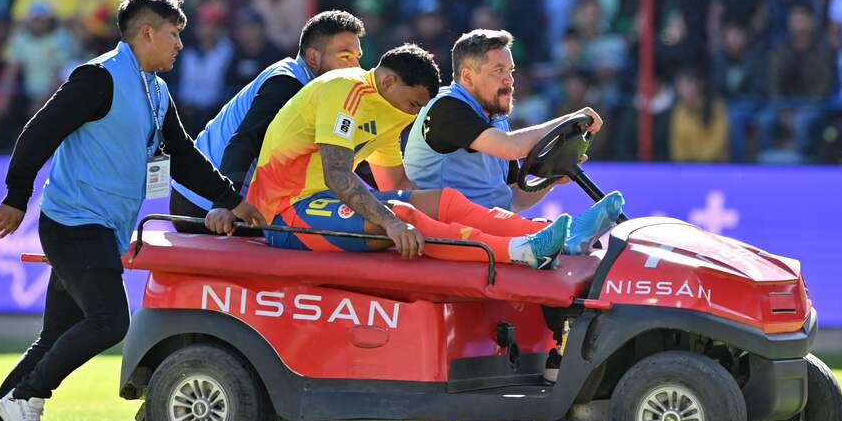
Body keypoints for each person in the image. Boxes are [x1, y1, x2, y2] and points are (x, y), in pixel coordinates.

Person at [0, 0, 264, 421]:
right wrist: (17, 196)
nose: (180, 45)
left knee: (54, 336)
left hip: (99, 225)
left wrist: (233, 200)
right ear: (147, 33)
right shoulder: (97, 77)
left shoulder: (155, 90)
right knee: (109, 321)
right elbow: (39, 132)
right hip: (75, 222)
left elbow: (181, 157)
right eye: (174, 34)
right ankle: (27, 398)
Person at [247, 43, 623, 269]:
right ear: (390, 82)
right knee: (404, 215)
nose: (414, 116)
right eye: (413, 104)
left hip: (322, 202)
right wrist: (394, 223)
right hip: (286, 211)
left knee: (439, 200)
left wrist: (434, 209)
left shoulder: (390, 110)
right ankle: (517, 251)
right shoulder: (344, 90)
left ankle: (563, 236)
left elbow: (395, 186)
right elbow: (338, 177)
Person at [170, 10, 365, 232]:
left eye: (357, 57)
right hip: (204, 205)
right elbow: (243, 141)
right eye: (345, 57)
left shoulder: (315, 88)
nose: (356, 68)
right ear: (313, 57)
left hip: (224, 200)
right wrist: (225, 204)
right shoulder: (288, 84)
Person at [403, 29, 607, 215]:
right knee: (549, 236)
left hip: (482, 226)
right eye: (498, 70)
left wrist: (552, 180)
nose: (509, 80)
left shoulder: (496, 117)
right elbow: (511, 148)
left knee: (553, 235)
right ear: (467, 76)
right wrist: (570, 118)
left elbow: (512, 199)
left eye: (510, 70)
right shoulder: (446, 107)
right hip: (442, 229)